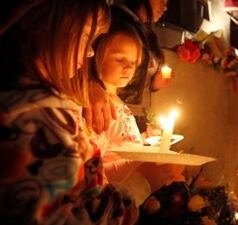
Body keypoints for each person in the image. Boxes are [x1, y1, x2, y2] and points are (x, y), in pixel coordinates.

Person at [0, 1, 138, 224]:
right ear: (43, 22)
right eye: (85, 37)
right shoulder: (37, 118)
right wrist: (138, 190)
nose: (90, 52)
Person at [91, 5, 184, 207]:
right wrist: (142, 167)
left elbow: (117, 146)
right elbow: (94, 169)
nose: (128, 67)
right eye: (120, 59)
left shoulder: (117, 102)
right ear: (95, 53)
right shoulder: (98, 108)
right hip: (110, 204)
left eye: (134, 62)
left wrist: (146, 142)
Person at [86, 0, 172, 134]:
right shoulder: (114, 19)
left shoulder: (146, 33)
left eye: (134, 63)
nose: (165, 7)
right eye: (162, 0)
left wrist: (154, 84)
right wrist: (92, 85)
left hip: (130, 111)